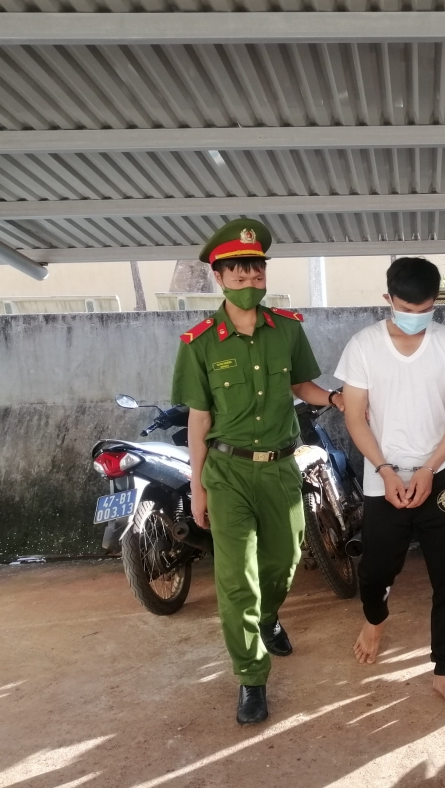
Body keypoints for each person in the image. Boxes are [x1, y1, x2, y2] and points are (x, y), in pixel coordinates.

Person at [171, 218, 345, 726]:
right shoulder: (199, 342)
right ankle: (251, 676)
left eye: (257, 274)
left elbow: (303, 386)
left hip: (281, 467)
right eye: (239, 275)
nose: (250, 282)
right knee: (236, 578)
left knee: (284, 561)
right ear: (219, 278)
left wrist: (335, 398)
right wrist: (198, 488)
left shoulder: (287, 329)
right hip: (227, 472)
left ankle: (268, 618)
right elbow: (199, 419)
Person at [334, 257, 445, 713]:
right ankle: (375, 619)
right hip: (384, 476)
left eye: (424, 308)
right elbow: (355, 417)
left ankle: (444, 672)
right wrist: (383, 469)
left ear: (435, 302)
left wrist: (430, 468)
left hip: (438, 475)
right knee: (375, 571)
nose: (415, 316)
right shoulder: (363, 346)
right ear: (388, 299)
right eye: (405, 307)